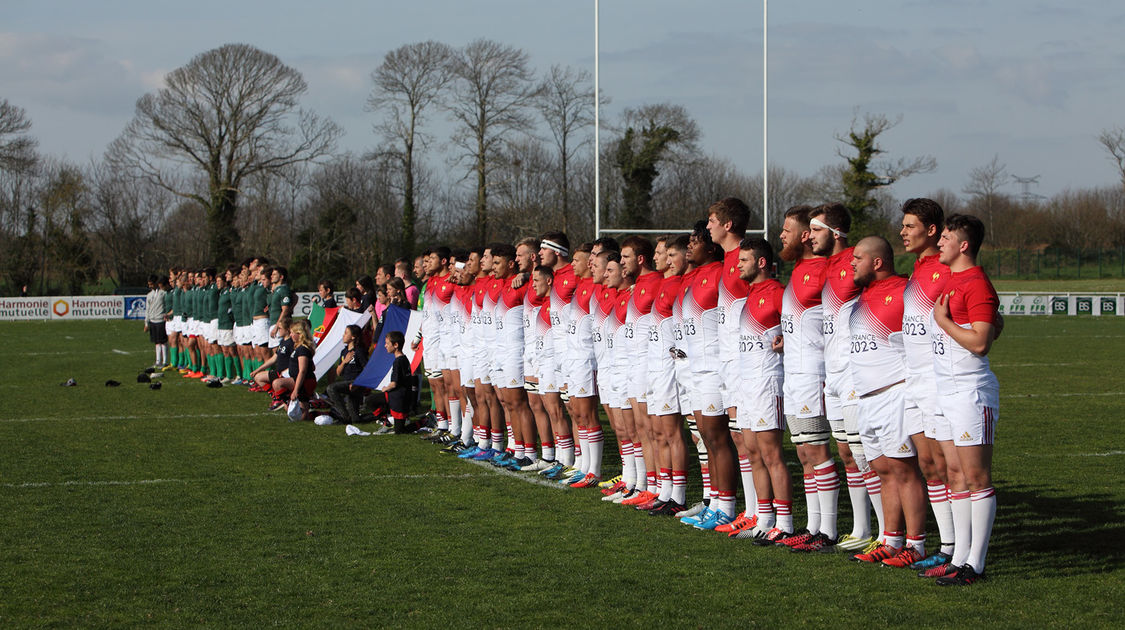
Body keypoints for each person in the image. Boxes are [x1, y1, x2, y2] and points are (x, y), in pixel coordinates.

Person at [846, 236, 929, 568]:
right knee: (882, 469)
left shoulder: (906, 292)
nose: (852, 263)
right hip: (865, 397)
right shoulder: (862, 296)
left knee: (904, 470)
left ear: (877, 262)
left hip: (894, 392)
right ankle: (891, 539)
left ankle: (916, 544)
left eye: (858, 258)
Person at [930, 213, 1001, 587]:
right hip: (945, 389)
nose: (939, 242)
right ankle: (959, 557)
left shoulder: (975, 282)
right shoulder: (951, 279)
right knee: (954, 474)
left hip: (970, 391)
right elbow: (995, 321)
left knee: (976, 477)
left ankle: (976, 564)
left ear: (964, 245)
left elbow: (980, 341)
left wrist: (944, 323)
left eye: (946, 237)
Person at [898, 198, 959, 574]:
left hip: (939, 379)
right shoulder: (916, 271)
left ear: (932, 230)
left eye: (910, 226)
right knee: (928, 464)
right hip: (914, 380)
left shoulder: (946, 269)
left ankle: (958, 549)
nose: (903, 232)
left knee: (950, 467)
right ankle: (946, 544)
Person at [773, 206, 832, 549]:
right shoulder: (797, 270)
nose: (782, 235)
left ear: (806, 235)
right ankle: (812, 527)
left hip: (813, 373)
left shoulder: (822, 270)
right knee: (803, 452)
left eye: (787, 230)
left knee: (818, 451)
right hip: (792, 372)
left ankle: (828, 532)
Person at [734, 237, 796, 542]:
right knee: (752, 452)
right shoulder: (749, 294)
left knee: (772, 455)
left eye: (743, 260)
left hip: (767, 382)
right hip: (746, 383)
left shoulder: (778, 295)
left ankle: (785, 523)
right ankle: (764, 517)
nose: (738, 265)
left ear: (761, 262)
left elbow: (796, 332)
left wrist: (787, 342)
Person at [324, 324, 369, 425]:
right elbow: (338, 372)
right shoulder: (344, 352)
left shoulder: (359, 351)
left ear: (353, 337)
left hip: (355, 384)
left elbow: (366, 369)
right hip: (346, 383)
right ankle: (347, 416)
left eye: (345, 333)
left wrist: (358, 383)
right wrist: (345, 362)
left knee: (331, 388)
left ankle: (344, 416)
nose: (343, 335)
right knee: (356, 419)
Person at [382, 330, 415, 433]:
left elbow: (394, 383)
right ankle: (388, 420)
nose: (385, 346)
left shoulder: (398, 362)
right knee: (399, 430)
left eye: (387, 343)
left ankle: (422, 423)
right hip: (404, 398)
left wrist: (385, 388)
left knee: (400, 431)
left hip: (398, 400)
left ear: (395, 345)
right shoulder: (405, 359)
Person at [287, 318, 317, 421]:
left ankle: (306, 417)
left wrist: (296, 389)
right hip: (301, 380)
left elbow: (303, 371)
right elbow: (312, 367)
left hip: (305, 381)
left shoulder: (303, 349)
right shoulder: (298, 347)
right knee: (302, 403)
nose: (290, 335)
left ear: (299, 334)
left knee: (278, 383)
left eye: (292, 333)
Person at [144, 274, 168, 370]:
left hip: (161, 320)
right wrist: (146, 322)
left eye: (151, 284)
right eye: (149, 284)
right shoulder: (149, 295)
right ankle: (158, 361)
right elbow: (147, 309)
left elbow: (167, 305)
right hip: (153, 321)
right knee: (156, 342)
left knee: (163, 341)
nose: (150, 286)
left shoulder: (163, 293)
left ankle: (165, 361)